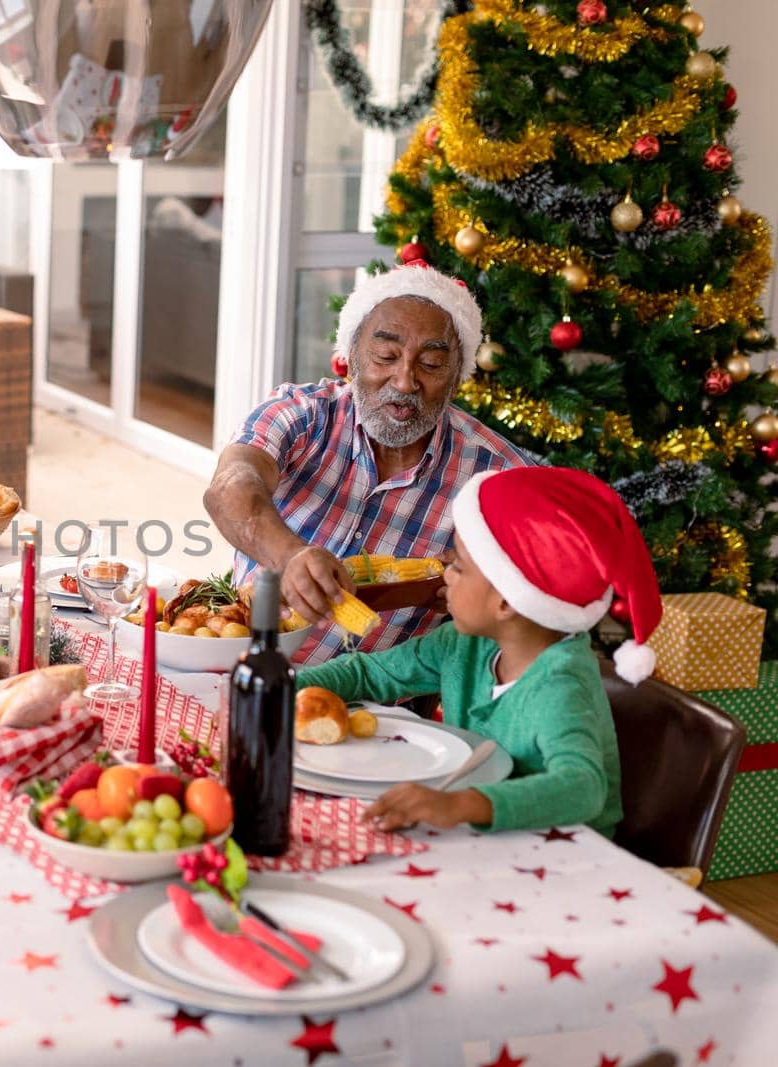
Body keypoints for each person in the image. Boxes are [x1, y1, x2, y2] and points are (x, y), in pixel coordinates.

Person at [296, 466, 663, 836]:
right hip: (480, 831)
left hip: (560, 851)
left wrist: (459, 804)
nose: (446, 576)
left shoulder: (559, 684)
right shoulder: (462, 642)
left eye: (458, 566)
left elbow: (583, 787)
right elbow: (367, 674)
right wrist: (278, 685)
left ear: (507, 601)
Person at [204, 264, 535, 664]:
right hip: (241, 663)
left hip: (373, 705)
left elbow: (537, 598)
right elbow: (230, 488)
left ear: (457, 377)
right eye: (385, 356)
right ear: (352, 357)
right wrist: (290, 555)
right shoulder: (301, 414)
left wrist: (480, 593)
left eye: (430, 363)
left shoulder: (499, 474)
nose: (404, 381)